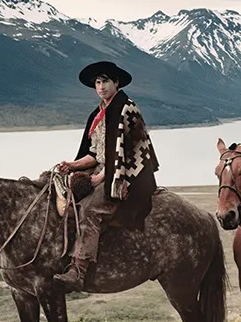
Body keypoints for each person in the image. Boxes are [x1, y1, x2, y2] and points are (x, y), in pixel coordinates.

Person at [52, 61, 160, 290]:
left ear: (116, 83)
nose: (101, 87)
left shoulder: (127, 109)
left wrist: (100, 178)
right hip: (105, 170)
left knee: (90, 209)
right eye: (97, 83)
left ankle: (79, 271)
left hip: (127, 176)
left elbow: (128, 154)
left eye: (105, 81)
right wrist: (72, 165)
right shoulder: (98, 113)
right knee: (63, 195)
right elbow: (95, 153)